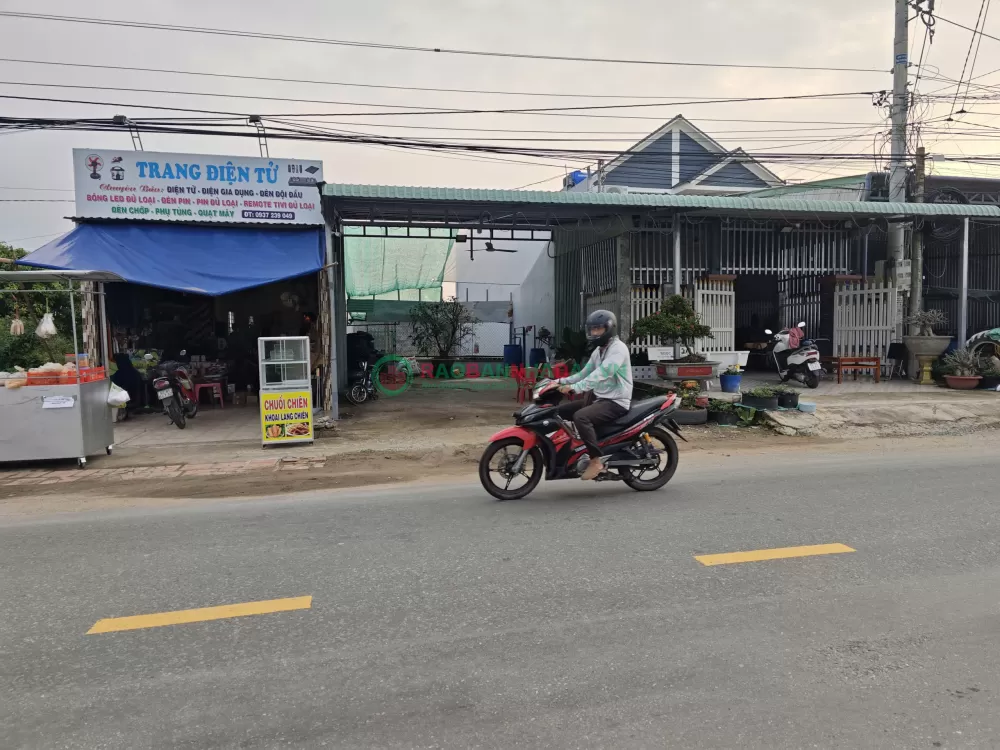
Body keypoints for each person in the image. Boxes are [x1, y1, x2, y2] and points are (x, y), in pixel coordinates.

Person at [553, 309, 633, 481]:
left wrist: (575, 388)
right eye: (592, 329)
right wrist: (558, 382)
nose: (594, 333)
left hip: (616, 401)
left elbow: (601, 374)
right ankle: (572, 451)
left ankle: (595, 461)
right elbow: (584, 373)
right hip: (600, 399)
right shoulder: (599, 351)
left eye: (598, 329)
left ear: (609, 328)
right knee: (559, 411)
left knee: (581, 417)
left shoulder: (618, 349)